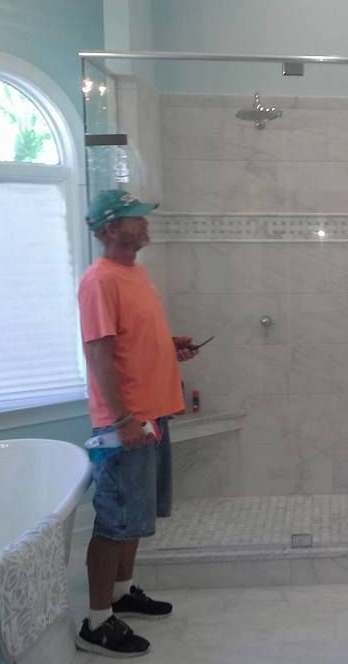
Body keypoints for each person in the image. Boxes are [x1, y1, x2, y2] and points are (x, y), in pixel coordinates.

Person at [75, 188, 199, 658]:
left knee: (134, 519)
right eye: (133, 218)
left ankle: (122, 593)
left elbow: (132, 340)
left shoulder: (135, 273)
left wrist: (170, 346)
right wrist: (123, 418)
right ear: (110, 229)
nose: (143, 223)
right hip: (127, 421)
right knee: (112, 521)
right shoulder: (99, 280)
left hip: (152, 413)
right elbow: (99, 353)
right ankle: (96, 622)